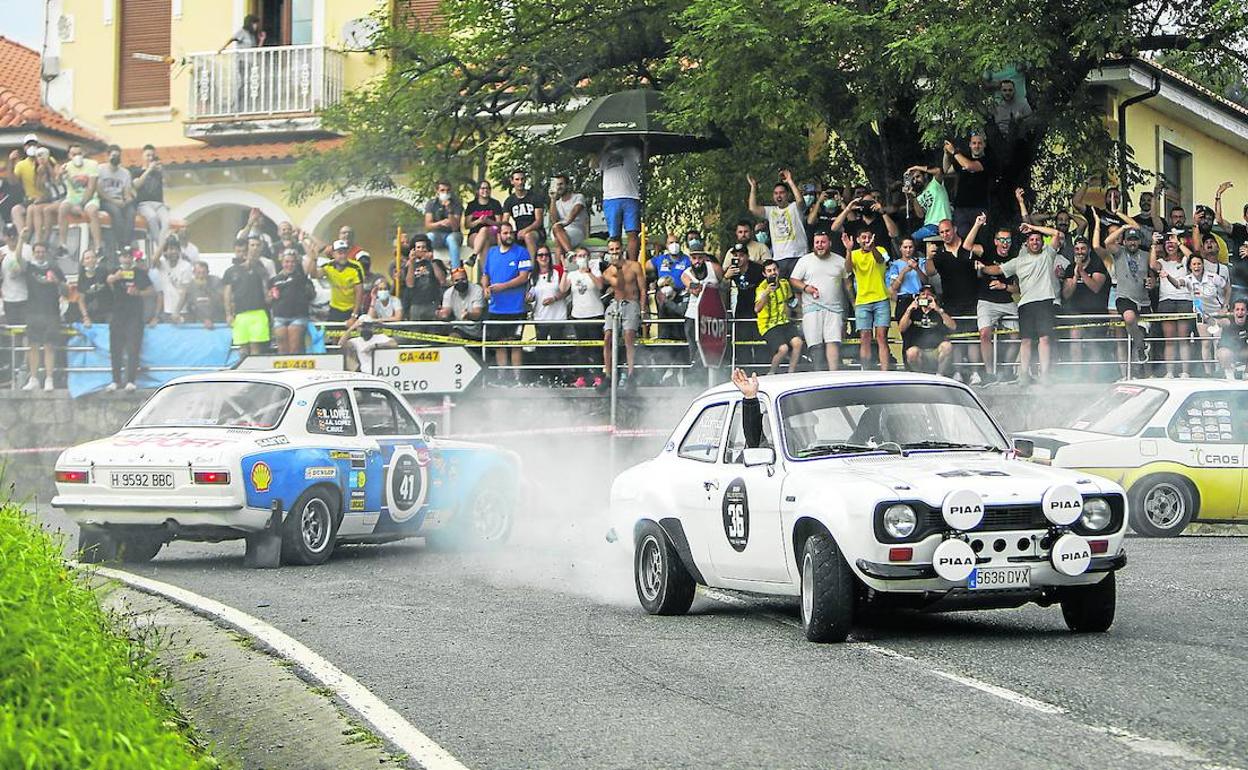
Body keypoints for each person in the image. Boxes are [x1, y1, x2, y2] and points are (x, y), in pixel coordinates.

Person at [980, 222, 1063, 383]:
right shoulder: (1019, 260)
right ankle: (1023, 375)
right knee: (1025, 340)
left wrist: (1035, 228)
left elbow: (1056, 234)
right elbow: (997, 270)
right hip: (1025, 304)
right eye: (1031, 240)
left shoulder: (1048, 254)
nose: (1035, 242)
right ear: (1027, 243)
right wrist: (981, 267)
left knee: (1044, 339)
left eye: (1038, 239)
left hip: (1045, 301)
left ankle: (1044, 375)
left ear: (1042, 242)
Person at [1095, 217, 1150, 369]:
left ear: (1139, 241)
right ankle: (1140, 346)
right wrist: (1124, 227)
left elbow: (1153, 272)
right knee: (1129, 318)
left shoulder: (1145, 254)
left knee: (1144, 330)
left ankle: (1141, 367)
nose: (1132, 242)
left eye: (1135, 240)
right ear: (1124, 241)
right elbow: (1106, 243)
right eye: (1129, 240)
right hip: (1124, 296)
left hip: (1143, 298)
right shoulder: (1119, 252)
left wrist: (1151, 281)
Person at [968, 217, 1018, 383]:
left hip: (1007, 300)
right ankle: (989, 374)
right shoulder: (987, 251)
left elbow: (1018, 289)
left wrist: (1003, 286)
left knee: (1016, 336)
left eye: (1008, 240)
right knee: (984, 334)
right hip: (986, 300)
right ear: (996, 241)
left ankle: (1006, 370)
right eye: (1002, 240)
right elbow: (967, 246)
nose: (1005, 243)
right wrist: (977, 224)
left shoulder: (1015, 256)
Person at [481, 221, 532, 383]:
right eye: (505, 233)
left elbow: (524, 277)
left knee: (515, 343)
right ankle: (502, 376)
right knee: (499, 344)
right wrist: (485, 288)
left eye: (511, 232)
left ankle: (517, 378)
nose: (509, 236)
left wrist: (502, 287)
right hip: (496, 308)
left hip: (516, 308)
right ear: (499, 235)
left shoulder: (522, 252)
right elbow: (485, 274)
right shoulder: (492, 252)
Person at [790, 231, 847, 371]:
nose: (820, 245)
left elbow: (848, 284)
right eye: (817, 242)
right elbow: (793, 280)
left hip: (834, 308)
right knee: (815, 345)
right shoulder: (805, 260)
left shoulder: (840, 260)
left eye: (823, 242)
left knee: (832, 342)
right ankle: (818, 374)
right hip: (811, 308)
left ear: (829, 244)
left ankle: (833, 375)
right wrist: (806, 287)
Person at [19, 235, 65, 391]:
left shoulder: (55, 268)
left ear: (47, 253)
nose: (39, 254)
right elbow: (18, 259)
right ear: (33, 253)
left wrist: (56, 282)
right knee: (33, 345)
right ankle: (33, 378)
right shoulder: (30, 268)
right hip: (33, 311)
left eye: (42, 251)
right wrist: (20, 238)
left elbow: (67, 291)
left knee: (49, 346)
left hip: (51, 312)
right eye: (37, 251)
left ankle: (49, 379)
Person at [104, 249, 154, 391]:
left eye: (128, 257)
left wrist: (138, 292)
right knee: (115, 349)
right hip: (118, 315)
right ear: (119, 258)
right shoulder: (114, 271)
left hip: (135, 316)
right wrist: (116, 277)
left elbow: (151, 291)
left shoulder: (139, 273)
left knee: (133, 348)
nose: (126, 260)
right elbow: (108, 281)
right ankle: (115, 380)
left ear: (132, 258)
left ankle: (131, 381)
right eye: (123, 257)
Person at [602, 238, 647, 389]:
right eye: (612, 250)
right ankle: (607, 374)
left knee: (629, 336)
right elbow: (618, 285)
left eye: (617, 248)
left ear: (622, 248)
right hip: (616, 303)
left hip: (632, 302)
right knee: (608, 336)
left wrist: (642, 309)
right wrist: (617, 269)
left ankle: (631, 373)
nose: (615, 252)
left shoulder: (635, 266)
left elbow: (642, 289)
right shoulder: (608, 271)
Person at [1060, 236, 1110, 368]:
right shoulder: (1070, 268)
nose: (1079, 252)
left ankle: (1094, 377)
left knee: (1094, 345)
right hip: (1077, 313)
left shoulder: (1097, 264)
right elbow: (1066, 294)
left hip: (1096, 312)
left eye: (1083, 248)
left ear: (1088, 250)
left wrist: (1082, 271)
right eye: (1077, 249)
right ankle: (1076, 374)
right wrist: (1075, 276)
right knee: (1074, 338)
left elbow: (1095, 287)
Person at [845, 229, 891, 371]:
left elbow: (880, 260)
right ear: (858, 239)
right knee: (864, 337)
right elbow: (847, 269)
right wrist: (848, 250)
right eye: (863, 238)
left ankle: (885, 373)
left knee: (881, 337)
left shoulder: (880, 250)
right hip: (862, 301)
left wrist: (872, 248)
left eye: (869, 237)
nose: (866, 240)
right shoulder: (854, 254)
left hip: (881, 298)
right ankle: (866, 371)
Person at [1149, 228, 1192, 377]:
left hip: (1185, 300)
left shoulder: (1185, 261)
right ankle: (1170, 372)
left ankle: (1185, 372)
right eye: (1167, 243)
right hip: (1166, 300)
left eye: (1171, 242)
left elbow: (1192, 257)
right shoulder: (1161, 262)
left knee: (1183, 338)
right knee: (1169, 339)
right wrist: (1154, 244)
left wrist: (1178, 242)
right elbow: (1152, 265)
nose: (1170, 245)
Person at [747, 170, 807, 276]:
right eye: (776, 193)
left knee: (798, 290)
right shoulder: (771, 211)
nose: (779, 195)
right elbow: (753, 208)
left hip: (798, 256)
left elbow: (800, 201)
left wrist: (790, 181)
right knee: (782, 290)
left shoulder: (794, 207)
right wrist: (753, 187)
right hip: (779, 259)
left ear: (787, 195)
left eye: (782, 193)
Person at [594, 139, 643, 261]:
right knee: (614, 236)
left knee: (632, 233)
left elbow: (644, 161)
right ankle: (617, 264)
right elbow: (593, 165)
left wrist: (645, 144)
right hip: (611, 199)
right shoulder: (604, 154)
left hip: (631, 196)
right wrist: (604, 147)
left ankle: (632, 265)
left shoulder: (632, 150)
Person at [754, 259, 803, 374]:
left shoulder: (784, 284)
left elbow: (791, 301)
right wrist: (766, 293)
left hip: (784, 321)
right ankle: (771, 372)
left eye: (774, 269)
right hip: (768, 325)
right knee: (783, 348)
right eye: (769, 271)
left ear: (778, 270)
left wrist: (799, 312)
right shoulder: (761, 288)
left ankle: (791, 372)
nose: (773, 273)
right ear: (764, 274)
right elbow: (757, 309)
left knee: (798, 343)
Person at [223, 240, 271, 356]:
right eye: (239, 251)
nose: (242, 254)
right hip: (240, 314)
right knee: (242, 348)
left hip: (258, 312)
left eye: (245, 251)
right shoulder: (230, 271)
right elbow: (227, 294)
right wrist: (228, 314)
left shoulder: (260, 268)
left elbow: (266, 288)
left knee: (255, 348)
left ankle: (255, 371)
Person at [529, 246, 569, 381]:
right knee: (541, 349)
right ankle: (544, 377)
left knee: (556, 348)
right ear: (536, 258)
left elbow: (567, 290)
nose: (544, 258)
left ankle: (557, 377)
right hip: (540, 317)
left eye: (546, 255)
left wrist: (555, 298)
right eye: (540, 255)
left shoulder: (557, 271)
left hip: (557, 316)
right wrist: (529, 298)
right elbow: (531, 294)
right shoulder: (532, 276)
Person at [723, 240, 766, 365]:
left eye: (741, 255)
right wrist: (727, 276)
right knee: (742, 344)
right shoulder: (732, 270)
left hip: (758, 308)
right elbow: (721, 288)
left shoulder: (757, 269)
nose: (738, 258)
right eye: (735, 255)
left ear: (747, 256)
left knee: (760, 344)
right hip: (741, 309)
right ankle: (744, 369)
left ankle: (761, 370)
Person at [898, 285, 957, 374]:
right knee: (911, 352)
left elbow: (953, 326)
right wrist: (909, 310)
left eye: (929, 294)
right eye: (923, 294)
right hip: (919, 351)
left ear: (934, 297)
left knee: (947, 346)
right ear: (918, 297)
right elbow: (901, 328)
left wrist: (938, 309)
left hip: (936, 351)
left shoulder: (939, 311)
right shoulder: (914, 312)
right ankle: (920, 377)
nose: (925, 296)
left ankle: (939, 376)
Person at [944, 133, 995, 238]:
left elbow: (969, 166)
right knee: (962, 238)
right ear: (970, 145)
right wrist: (946, 154)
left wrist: (954, 151)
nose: (976, 146)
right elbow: (947, 171)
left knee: (980, 238)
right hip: (961, 208)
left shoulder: (988, 160)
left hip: (979, 207)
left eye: (979, 143)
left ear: (984, 145)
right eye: (974, 143)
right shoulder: (962, 158)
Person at [681, 247, 724, 368]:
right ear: (690, 259)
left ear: (705, 258)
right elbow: (695, 290)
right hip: (693, 315)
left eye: (700, 258)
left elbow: (724, 284)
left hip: (713, 315)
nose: (697, 261)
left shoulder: (714, 268)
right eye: (694, 258)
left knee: (711, 348)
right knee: (694, 348)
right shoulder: (686, 274)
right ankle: (695, 375)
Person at [57, 143, 102, 255]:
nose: (77, 156)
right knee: (62, 208)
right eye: (74, 154)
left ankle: (98, 247)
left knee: (92, 211)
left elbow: (91, 187)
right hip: (72, 198)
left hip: (89, 198)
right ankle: (63, 244)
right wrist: (59, 175)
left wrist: (81, 205)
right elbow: (57, 184)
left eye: (79, 153)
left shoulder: (92, 164)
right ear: (69, 156)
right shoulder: (66, 167)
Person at [268, 251, 316, 354]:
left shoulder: (301, 276)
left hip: (297, 317)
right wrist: (271, 296)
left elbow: (309, 269)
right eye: (287, 262)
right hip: (279, 317)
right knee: (282, 349)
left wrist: (313, 257)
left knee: (294, 348)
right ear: (282, 262)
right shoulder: (274, 280)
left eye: (292, 262)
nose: (289, 264)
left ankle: (296, 370)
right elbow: (269, 299)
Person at [310, 239, 363, 322]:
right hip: (335, 308)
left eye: (345, 253)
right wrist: (313, 259)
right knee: (333, 333)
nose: (343, 256)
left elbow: (359, 292)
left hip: (352, 309)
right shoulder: (328, 266)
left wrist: (354, 316)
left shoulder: (356, 267)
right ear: (333, 254)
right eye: (340, 253)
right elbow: (314, 275)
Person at [96, 145, 136, 258]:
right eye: (113, 155)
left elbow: (127, 192)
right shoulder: (100, 169)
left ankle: (127, 243)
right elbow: (99, 191)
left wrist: (127, 200)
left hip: (120, 200)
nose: (116, 158)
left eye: (118, 156)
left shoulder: (125, 173)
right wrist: (114, 201)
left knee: (131, 213)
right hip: (105, 200)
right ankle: (120, 243)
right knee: (116, 212)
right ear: (108, 156)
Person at [130, 145, 169, 247]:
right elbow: (136, 185)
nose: (150, 158)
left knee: (166, 221)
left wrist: (162, 170)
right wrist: (148, 170)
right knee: (152, 218)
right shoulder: (136, 172)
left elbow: (168, 182)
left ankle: (162, 245)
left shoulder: (158, 172)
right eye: (148, 155)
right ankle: (160, 246)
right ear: (142, 157)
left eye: (152, 155)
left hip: (159, 204)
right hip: (144, 204)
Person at [502, 170, 545, 259]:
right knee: (502, 237)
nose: (520, 182)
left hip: (536, 232)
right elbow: (505, 222)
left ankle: (533, 269)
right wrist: (506, 232)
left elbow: (539, 221)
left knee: (528, 236)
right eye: (517, 179)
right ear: (512, 181)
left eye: (522, 179)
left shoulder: (534, 197)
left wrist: (525, 230)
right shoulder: (509, 201)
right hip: (518, 232)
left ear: (525, 180)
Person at [403, 235, 446, 322]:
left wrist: (432, 261)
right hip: (415, 304)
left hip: (433, 303)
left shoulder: (436, 262)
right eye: (418, 247)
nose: (421, 249)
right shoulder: (410, 265)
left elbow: (442, 280)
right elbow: (409, 284)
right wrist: (411, 262)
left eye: (423, 247)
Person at [904, 163, 953, 241]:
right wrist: (913, 197)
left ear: (925, 176)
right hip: (929, 226)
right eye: (913, 179)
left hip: (942, 224)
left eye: (918, 176)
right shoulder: (918, 197)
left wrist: (916, 167)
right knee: (910, 241)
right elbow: (920, 215)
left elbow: (938, 171)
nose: (915, 180)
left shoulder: (935, 183)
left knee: (911, 240)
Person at [424, 179, 464, 268]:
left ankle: (456, 270)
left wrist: (449, 210)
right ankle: (426, 268)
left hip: (453, 234)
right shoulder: (431, 204)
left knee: (451, 239)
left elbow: (455, 227)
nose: (445, 193)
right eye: (442, 190)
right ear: (437, 191)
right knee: (428, 237)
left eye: (448, 190)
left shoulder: (456, 204)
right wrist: (440, 223)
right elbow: (428, 225)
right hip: (437, 234)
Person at [548, 174, 588, 259]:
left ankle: (561, 266)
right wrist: (553, 199)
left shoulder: (578, 197)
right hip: (559, 231)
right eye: (556, 185)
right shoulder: (557, 203)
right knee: (557, 231)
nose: (559, 187)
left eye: (561, 184)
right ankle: (570, 255)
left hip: (576, 231)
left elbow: (574, 213)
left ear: (567, 185)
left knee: (558, 240)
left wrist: (561, 224)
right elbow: (554, 220)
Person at [438, 267, 485, 340]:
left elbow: (477, 313)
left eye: (463, 279)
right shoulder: (448, 293)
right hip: (459, 329)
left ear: (467, 278)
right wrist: (442, 314)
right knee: (453, 338)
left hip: (477, 331)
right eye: (456, 280)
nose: (460, 282)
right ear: (452, 282)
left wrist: (468, 315)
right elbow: (446, 311)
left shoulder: (477, 290)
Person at [154, 236, 193, 323]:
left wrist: (177, 312)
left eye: (176, 249)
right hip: (167, 311)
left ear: (179, 251)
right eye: (170, 249)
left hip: (182, 311)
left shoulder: (186, 266)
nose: (173, 252)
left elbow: (185, 291)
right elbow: (154, 260)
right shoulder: (163, 265)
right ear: (165, 252)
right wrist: (164, 242)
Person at [465, 180, 504, 266]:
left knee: (484, 229)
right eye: (482, 188)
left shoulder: (495, 204)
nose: (485, 190)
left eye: (487, 188)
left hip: (492, 234)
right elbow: (467, 225)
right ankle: (485, 274)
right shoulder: (472, 205)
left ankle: (474, 256)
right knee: (484, 243)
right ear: (477, 191)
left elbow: (499, 224)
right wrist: (478, 221)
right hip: (474, 235)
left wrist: (488, 221)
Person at [181, 260, 225, 328]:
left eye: (204, 273)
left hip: (217, 319)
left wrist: (208, 290)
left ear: (208, 272)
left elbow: (222, 301)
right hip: (200, 320)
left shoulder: (216, 281)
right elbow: (190, 305)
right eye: (198, 273)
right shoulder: (190, 286)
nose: (201, 276)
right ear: (193, 273)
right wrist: (176, 313)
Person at [1, 223, 30, 326]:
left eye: (14, 234)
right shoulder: (1, 252)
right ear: (4, 237)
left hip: (26, 297)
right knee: (14, 331)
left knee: (27, 330)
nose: (12, 237)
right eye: (9, 235)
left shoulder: (27, 249)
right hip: (9, 299)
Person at [75, 249, 113, 329]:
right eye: (87, 258)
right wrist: (86, 317)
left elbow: (114, 289)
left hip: (109, 311)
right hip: (92, 313)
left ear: (96, 259)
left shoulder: (103, 271)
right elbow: (81, 300)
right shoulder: (82, 277)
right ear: (83, 262)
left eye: (93, 257)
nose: (90, 260)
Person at [1216, 299, 1248, 379]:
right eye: (1237, 309)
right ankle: (1229, 372)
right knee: (1223, 353)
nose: (1240, 312)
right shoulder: (1227, 321)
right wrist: (1216, 320)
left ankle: (1246, 373)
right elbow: (1218, 322)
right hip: (1228, 351)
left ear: (1246, 312)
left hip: (1242, 351)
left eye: (1242, 309)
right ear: (1233, 312)